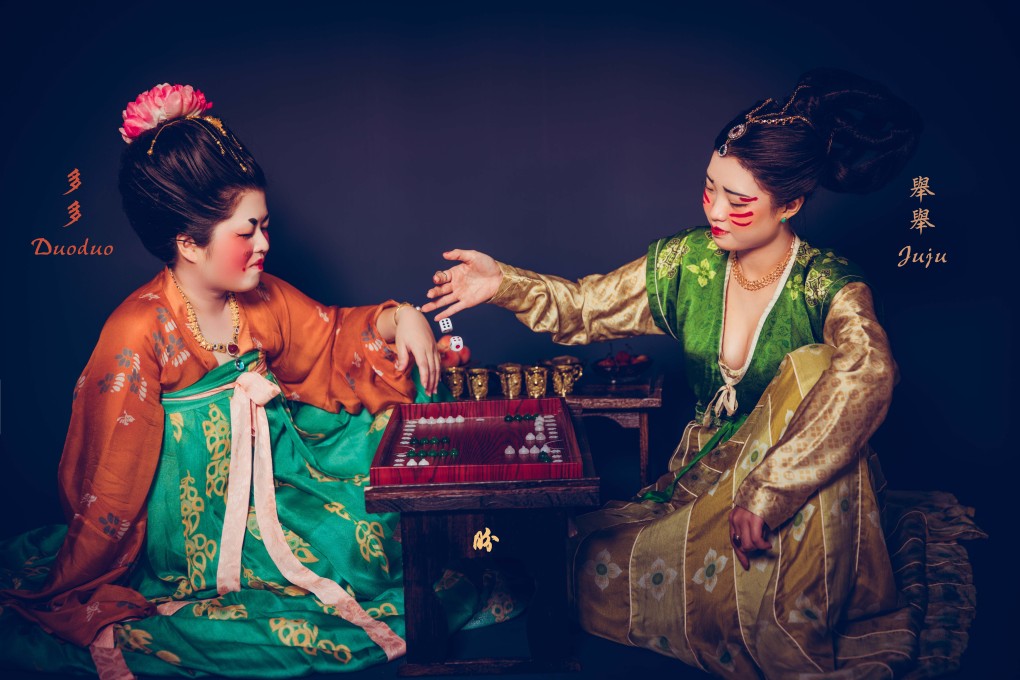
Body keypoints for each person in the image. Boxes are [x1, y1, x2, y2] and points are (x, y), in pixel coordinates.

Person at [422, 69, 983, 678]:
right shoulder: (689, 262)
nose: (715, 210)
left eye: (738, 201)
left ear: (790, 204)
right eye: (708, 188)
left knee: (818, 367)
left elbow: (870, 371)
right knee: (581, 573)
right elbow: (585, 308)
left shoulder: (827, 284)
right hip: (706, 479)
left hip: (802, 486)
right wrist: (502, 283)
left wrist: (772, 490)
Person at [0, 83, 479, 678]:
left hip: (276, 487)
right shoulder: (136, 330)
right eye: (246, 232)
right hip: (189, 530)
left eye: (265, 226)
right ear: (187, 243)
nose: (264, 246)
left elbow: (329, 336)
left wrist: (398, 315)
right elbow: (108, 474)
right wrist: (94, 568)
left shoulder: (261, 299)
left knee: (384, 504)